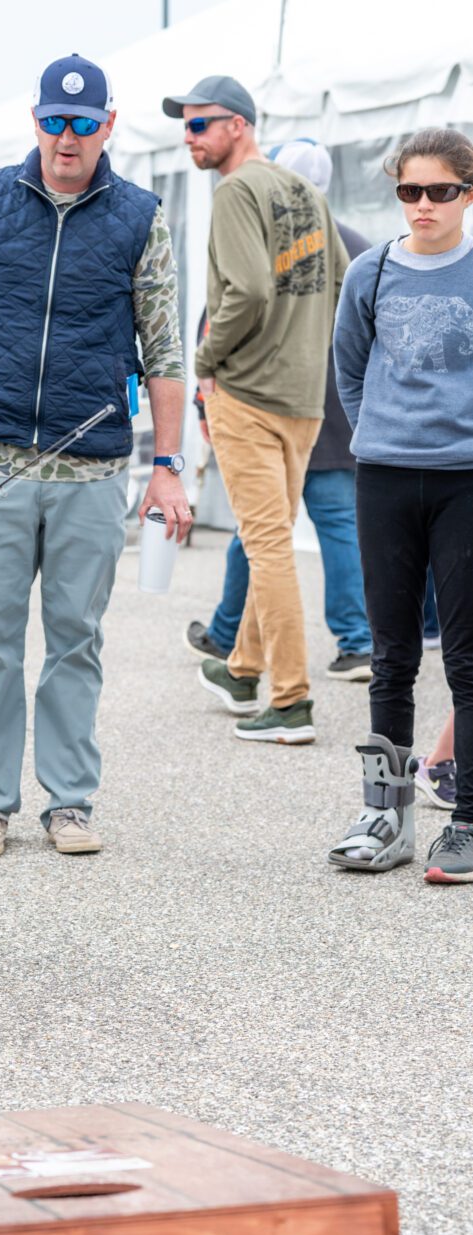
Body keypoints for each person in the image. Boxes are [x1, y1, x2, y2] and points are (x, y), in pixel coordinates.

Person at [0, 53, 190, 858]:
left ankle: (69, 802)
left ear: (106, 125)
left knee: (74, 636)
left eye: (82, 123)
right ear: (35, 122)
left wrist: (166, 465)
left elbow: (164, 350)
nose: (67, 138)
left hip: (91, 465)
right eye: (54, 122)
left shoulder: (139, 215)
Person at [163, 76, 350, 745]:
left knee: (265, 545)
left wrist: (206, 365)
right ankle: (241, 669)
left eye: (199, 125)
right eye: (184, 126)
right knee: (264, 535)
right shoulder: (303, 192)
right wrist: (304, 352)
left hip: (247, 392)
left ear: (237, 125)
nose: (188, 138)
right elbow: (337, 279)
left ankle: (291, 701)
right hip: (303, 396)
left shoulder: (236, 190)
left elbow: (241, 293)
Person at [329, 127, 473, 883]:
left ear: (466, 193)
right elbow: (348, 369)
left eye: (440, 191)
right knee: (389, 655)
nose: (423, 206)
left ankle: (468, 819)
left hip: (464, 481)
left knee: (467, 657)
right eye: (409, 192)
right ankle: (384, 815)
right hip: (383, 474)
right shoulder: (370, 270)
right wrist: (381, 433)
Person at [184, 138, 373, 682]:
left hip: (263, 401)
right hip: (329, 408)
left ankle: (271, 678)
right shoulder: (355, 244)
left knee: (259, 535)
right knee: (334, 529)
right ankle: (355, 642)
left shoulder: (249, 221)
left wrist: (205, 375)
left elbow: (225, 310)